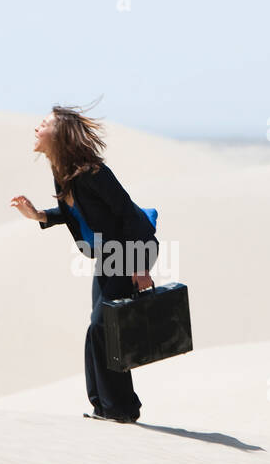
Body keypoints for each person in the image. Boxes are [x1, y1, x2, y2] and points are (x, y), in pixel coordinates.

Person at [10, 103, 159, 423]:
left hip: (131, 249)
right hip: (109, 256)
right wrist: (38, 215)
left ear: (60, 134)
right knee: (102, 328)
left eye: (44, 123)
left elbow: (126, 215)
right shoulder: (62, 174)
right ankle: (106, 407)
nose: (37, 128)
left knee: (100, 327)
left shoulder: (94, 173)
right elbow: (73, 214)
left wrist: (139, 266)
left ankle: (119, 409)